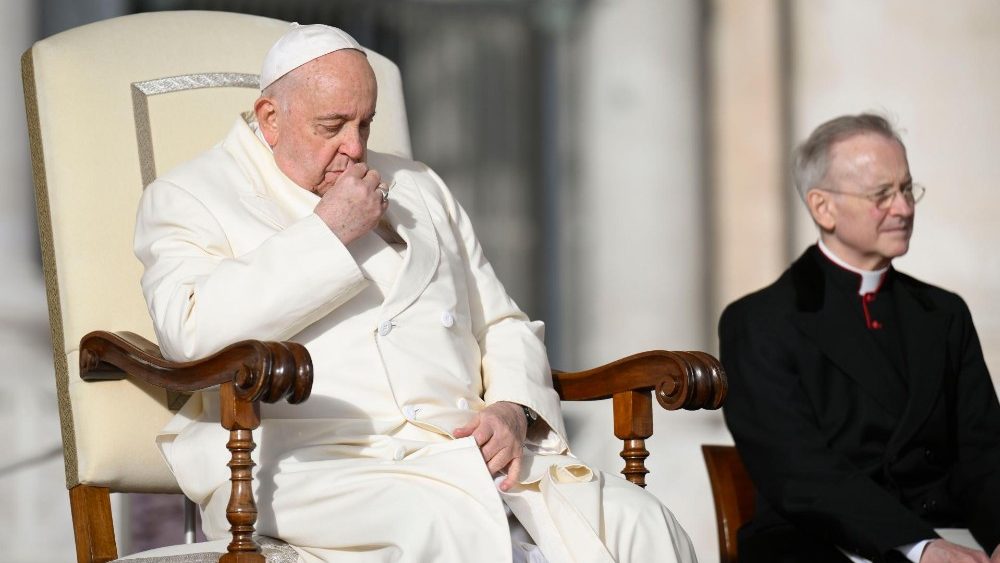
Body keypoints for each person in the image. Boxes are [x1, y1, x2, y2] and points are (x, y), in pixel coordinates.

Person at [134, 23, 696, 563]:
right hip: (313, 460)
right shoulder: (191, 195)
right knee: (443, 524)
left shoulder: (420, 186)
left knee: (642, 522)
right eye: (331, 127)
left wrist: (512, 409)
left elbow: (502, 323)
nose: (354, 149)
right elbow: (190, 334)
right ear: (270, 118)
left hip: (461, 451)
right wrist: (327, 234)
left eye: (365, 124)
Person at [719, 113, 1000, 563]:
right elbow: (800, 472)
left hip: (946, 534)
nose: (904, 209)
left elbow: (985, 453)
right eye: (881, 195)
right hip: (819, 541)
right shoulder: (759, 321)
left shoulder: (944, 314)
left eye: (907, 189)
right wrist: (918, 545)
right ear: (822, 207)